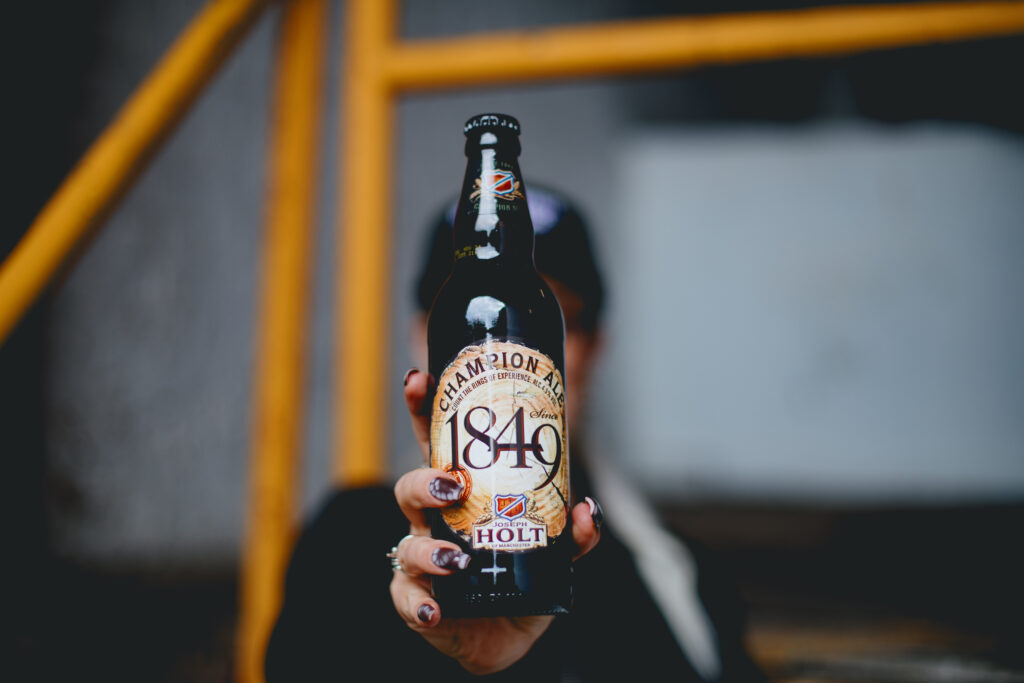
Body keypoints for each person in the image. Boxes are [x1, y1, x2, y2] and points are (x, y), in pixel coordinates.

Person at [265, 186, 763, 681]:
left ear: (594, 347)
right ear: (421, 340)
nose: (502, 355)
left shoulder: (680, 573)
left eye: (542, 320)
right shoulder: (349, 541)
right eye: (472, 326)